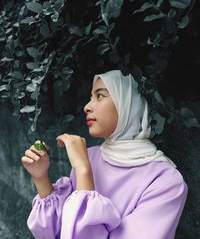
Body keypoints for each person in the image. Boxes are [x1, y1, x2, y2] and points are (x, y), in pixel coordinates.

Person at [21, 70, 188, 239]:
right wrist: (41, 177)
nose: (87, 106)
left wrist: (84, 171)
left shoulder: (166, 182)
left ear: (128, 104)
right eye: (91, 97)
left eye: (100, 96)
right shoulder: (90, 157)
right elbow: (57, 232)